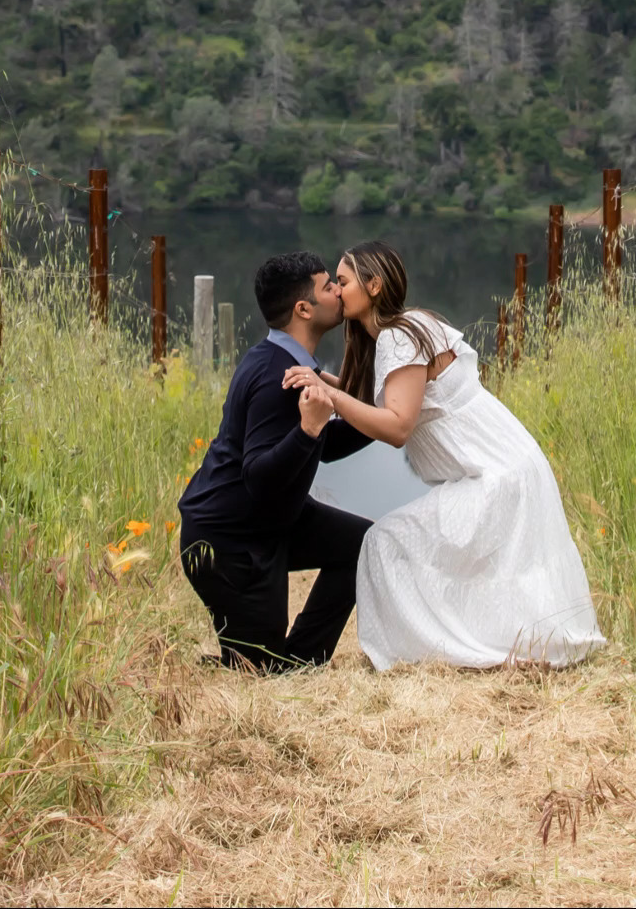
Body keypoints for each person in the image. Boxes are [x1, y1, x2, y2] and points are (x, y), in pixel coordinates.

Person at [284, 241, 605, 671]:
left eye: (343, 282)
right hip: (508, 466)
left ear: (374, 285)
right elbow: (381, 395)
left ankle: (424, 654)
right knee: (465, 558)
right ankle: (472, 647)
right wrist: (322, 377)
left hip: (495, 476)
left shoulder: (399, 338)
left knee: (386, 541)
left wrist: (330, 398)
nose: (337, 292)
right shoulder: (410, 324)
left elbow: (397, 426)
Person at [178, 250, 371, 671]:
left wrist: (383, 417)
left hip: (268, 521)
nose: (339, 291)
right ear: (304, 308)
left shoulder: (286, 362)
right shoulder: (274, 375)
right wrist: (307, 431)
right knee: (259, 671)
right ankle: (278, 665)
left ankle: (303, 660)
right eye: (328, 286)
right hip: (228, 542)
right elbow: (259, 478)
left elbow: (326, 444)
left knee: (363, 545)